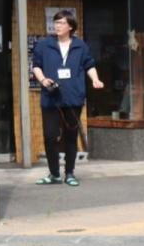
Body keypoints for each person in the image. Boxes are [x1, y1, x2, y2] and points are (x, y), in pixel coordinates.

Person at [31, 10, 102, 187]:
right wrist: (43, 80)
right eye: (56, 23)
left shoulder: (80, 46)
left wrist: (95, 79)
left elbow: (89, 65)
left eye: (61, 23)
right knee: (50, 136)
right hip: (51, 96)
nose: (57, 26)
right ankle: (54, 173)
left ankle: (69, 173)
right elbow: (36, 66)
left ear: (70, 26)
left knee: (71, 135)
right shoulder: (44, 44)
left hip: (73, 97)